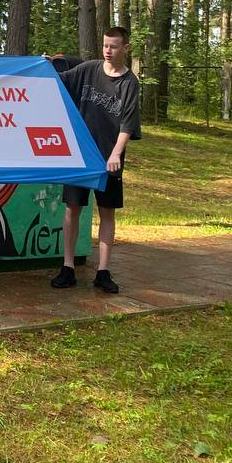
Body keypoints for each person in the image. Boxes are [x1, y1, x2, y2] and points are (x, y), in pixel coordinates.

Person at [50, 27, 141, 294]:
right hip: (80, 156)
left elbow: (128, 123)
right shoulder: (89, 69)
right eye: (105, 45)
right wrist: (45, 64)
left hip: (109, 159)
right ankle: (68, 268)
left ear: (125, 48)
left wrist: (116, 153)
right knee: (72, 209)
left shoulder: (129, 83)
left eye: (114, 46)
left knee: (106, 212)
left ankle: (103, 272)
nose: (108, 51)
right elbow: (61, 80)